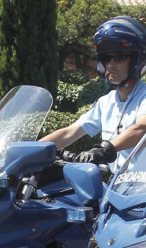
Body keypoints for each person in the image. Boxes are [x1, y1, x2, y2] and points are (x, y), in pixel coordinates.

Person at [40, 16, 146, 174]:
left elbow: (142, 128)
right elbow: (70, 132)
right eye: (106, 58)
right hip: (117, 191)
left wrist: (105, 150)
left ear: (137, 59)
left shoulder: (143, 96)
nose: (110, 64)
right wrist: (29, 152)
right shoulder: (106, 102)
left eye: (119, 57)